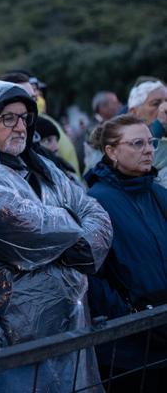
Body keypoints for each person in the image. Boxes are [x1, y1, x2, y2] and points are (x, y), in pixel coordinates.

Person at [0, 77, 113, 391]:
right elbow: (29, 228)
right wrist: (74, 233)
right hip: (8, 345)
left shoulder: (42, 168)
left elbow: (95, 211)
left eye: (24, 117)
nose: (20, 127)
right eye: (8, 118)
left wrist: (83, 244)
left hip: (67, 331)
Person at [86, 114, 167, 392]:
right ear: (111, 151)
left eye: (150, 142)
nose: (148, 150)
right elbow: (90, 275)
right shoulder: (96, 202)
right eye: (137, 143)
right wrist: (131, 317)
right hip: (128, 352)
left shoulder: (158, 194)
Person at [128, 80, 167, 187]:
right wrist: (159, 125)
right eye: (156, 103)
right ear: (134, 112)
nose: (164, 108)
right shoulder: (123, 141)